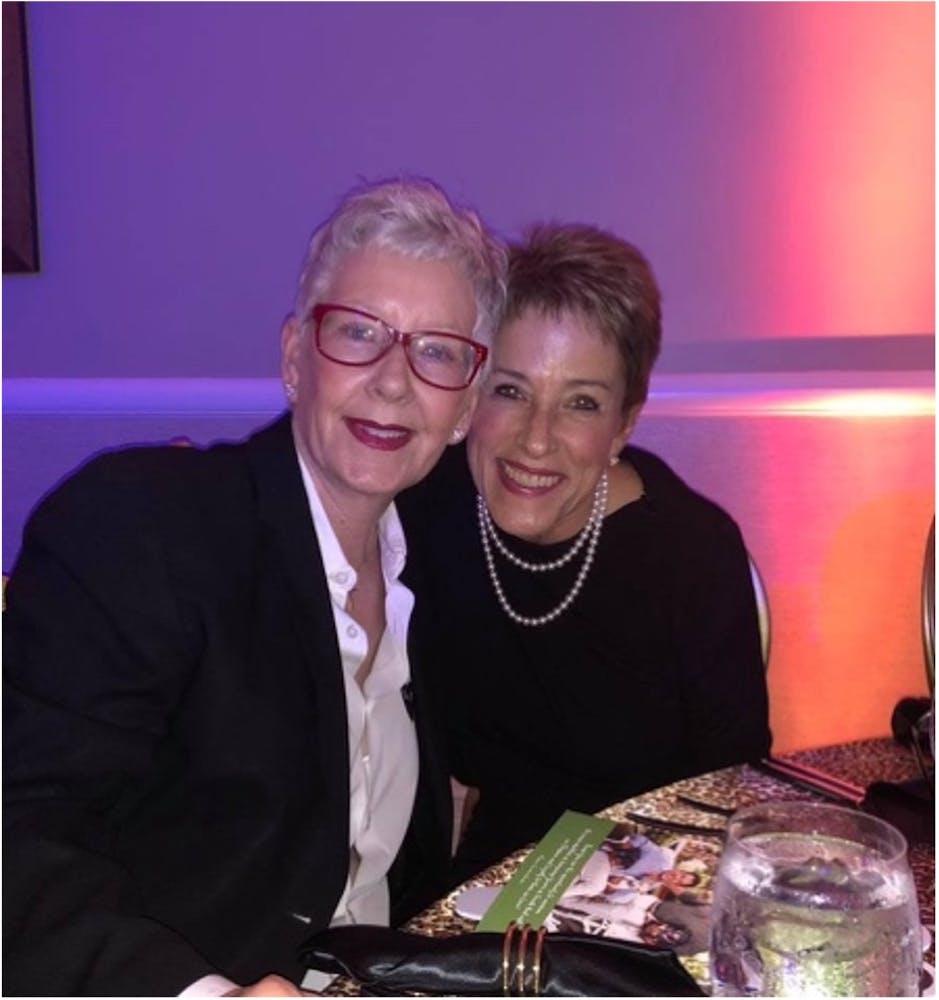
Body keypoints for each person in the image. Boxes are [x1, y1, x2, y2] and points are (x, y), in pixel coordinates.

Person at [2, 178, 506, 996]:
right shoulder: (148, 528)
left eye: (438, 351)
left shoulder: (439, 560)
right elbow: (15, 841)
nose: (392, 380)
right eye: (357, 333)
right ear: (292, 359)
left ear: (463, 407)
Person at [400, 223, 771, 883]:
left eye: (581, 403)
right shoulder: (425, 506)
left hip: (649, 895)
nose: (535, 440)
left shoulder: (690, 555)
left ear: (622, 425)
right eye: (510, 390)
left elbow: (729, 796)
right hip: (465, 893)